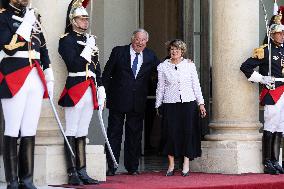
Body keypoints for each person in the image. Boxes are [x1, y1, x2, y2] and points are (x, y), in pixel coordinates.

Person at [0, 0, 54, 188]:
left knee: (30, 129)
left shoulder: (33, 17)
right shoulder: (4, 17)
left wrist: (49, 74)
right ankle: (12, 181)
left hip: (35, 76)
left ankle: (27, 179)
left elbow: (43, 48)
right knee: (12, 128)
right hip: (15, 75)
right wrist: (25, 25)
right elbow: (7, 46)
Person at [57, 0, 105, 185]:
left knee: (82, 131)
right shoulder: (66, 40)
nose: (85, 21)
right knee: (71, 129)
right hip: (76, 85)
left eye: (86, 18)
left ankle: (82, 170)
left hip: (90, 87)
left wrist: (101, 87)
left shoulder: (88, 39)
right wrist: (87, 48)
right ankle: (72, 171)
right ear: (73, 21)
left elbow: (96, 67)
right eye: (81, 18)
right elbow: (74, 63)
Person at [102, 29, 159, 176]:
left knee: (134, 135)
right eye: (137, 39)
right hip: (118, 99)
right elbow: (107, 74)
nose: (139, 42)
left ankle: (132, 167)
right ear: (132, 38)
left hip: (137, 102)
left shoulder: (150, 55)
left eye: (143, 40)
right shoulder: (118, 52)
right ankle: (111, 166)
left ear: (146, 42)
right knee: (114, 133)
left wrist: (182, 62)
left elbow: (162, 70)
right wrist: (102, 94)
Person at [240, 14, 284, 175]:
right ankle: (267, 162)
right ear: (272, 35)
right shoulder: (264, 50)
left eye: (283, 33)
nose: (282, 36)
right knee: (271, 124)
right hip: (273, 91)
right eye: (279, 33)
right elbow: (245, 67)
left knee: (280, 126)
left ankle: (276, 160)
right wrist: (262, 79)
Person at [155, 39, 206, 177]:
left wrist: (201, 103)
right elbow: (161, 87)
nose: (174, 51)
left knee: (187, 132)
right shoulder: (163, 66)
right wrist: (158, 104)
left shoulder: (189, 65)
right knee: (170, 133)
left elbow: (196, 84)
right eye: (172, 49)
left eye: (177, 49)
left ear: (182, 51)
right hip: (170, 103)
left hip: (188, 103)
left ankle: (186, 164)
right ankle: (171, 165)